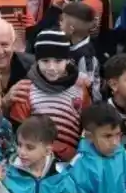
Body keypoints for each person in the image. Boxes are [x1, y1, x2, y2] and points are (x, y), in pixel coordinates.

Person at [7, 30, 88, 161]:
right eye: (45, 61)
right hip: (36, 160)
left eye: (58, 61)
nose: (51, 67)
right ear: (37, 60)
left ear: (68, 60)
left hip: (71, 162)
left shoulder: (80, 88)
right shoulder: (26, 88)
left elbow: (87, 127)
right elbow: (19, 129)